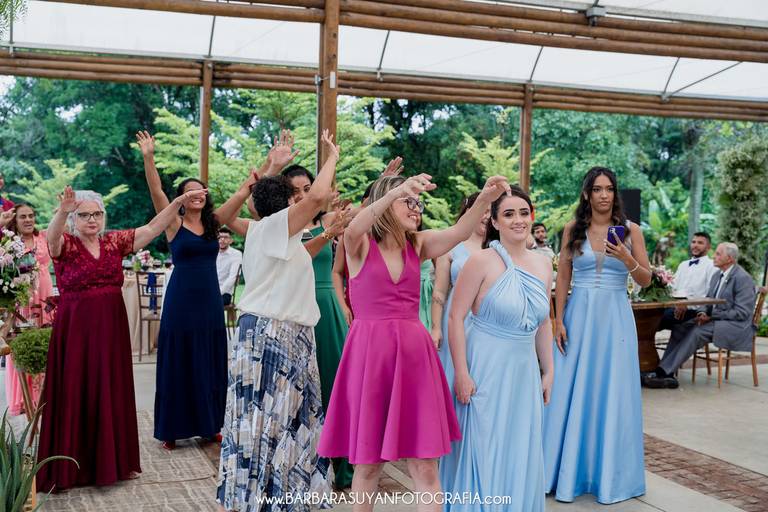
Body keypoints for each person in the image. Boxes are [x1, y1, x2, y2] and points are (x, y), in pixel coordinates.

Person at [319, 173, 510, 512]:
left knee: (425, 465)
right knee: (368, 465)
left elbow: (459, 232)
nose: (416, 208)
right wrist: (392, 191)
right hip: (370, 357)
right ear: (385, 203)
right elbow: (353, 227)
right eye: (407, 201)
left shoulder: (418, 245)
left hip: (414, 358)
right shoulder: (359, 245)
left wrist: (484, 197)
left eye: (417, 202)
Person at [37, 186, 206, 492]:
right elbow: (51, 238)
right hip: (76, 331)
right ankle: (72, 468)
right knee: (76, 387)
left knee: (109, 387)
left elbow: (153, 227)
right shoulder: (67, 244)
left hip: (111, 329)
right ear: (74, 219)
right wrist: (62, 211)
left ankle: (111, 463)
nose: (92, 219)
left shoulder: (114, 242)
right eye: (84, 215)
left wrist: (178, 202)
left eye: (97, 214)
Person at [136, 130, 293, 450]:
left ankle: (209, 425)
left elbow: (245, 189)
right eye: (189, 192)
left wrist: (271, 164)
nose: (197, 194)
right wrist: (149, 158)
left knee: (208, 358)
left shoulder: (215, 221)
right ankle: (172, 428)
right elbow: (156, 191)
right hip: (180, 300)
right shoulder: (173, 223)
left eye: (201, 190)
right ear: (181, 199)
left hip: (209, 300)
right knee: (179, 358)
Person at [214, 130, 339, 511]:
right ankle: (271, 497)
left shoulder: (267, 233)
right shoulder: (273, 225)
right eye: (293, 196)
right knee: (274, 418)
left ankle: (273, 495)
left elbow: (300, 254)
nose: (301, 201)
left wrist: (329, 232)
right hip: (274, 334)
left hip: (282, 332)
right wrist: (332, 157)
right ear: (285, 203)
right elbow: (317, 197)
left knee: (278, 418)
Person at [440, 187, 553, 511]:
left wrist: (548, 371)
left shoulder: (544, 263)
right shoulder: (481, 261)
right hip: (486, 368)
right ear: (494, 221)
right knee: (484, 444)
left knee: (520, 446)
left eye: (523, 213)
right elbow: (455, 318)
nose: (518, 220)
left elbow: (543, 321)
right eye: (509, 214)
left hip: (523, 372)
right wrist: (462, 373)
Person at [543, 167, 652, 505]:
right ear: (587, 194)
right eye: (597, 189)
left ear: (615, 193)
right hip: (579, 315)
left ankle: (609, 476)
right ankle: (561, 472)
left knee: (612, 391)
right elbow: (563, 276)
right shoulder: (572, 229)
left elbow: (646, 279)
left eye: (609, 189)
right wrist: (558, 320)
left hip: (616, 319)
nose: (604, 195)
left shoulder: (632, 231)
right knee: (570, 389)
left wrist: (627, 258)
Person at [280, 163, 354, 489]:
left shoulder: (329, 220)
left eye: (307, 188)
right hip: (295, 309)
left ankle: (345, 466)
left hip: (327, 308)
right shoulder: (281, 225)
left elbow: (364, 214)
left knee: (336, 384)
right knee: (301, 391)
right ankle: (305, 468)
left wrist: (386, 186)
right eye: (294, 190)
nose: (301, 195)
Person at [643, 242, 756, 389]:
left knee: (697, 331)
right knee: (680, 328)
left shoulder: (743, 278)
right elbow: (707, 300)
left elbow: (742, 313)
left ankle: (663, 372)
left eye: (718, 254)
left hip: (735, 325)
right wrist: (702, 313)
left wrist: (712, 316)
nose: (714, 256)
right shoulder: (717, 275)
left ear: (729, 259)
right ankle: (663, 369)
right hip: (716, 320)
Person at [430, 192, 489, 387]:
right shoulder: (451, 246)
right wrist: (436, 328)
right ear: (469, 211)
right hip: (457, 317)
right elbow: (439, 292)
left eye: (492, 211)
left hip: (488, 316)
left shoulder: (497, 247)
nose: (487, 216)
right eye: (483, 210)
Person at [3, 204, 54, 416]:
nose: (28, 220)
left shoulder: (43, 237)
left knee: (46, 341)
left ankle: (44, 395)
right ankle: (24, 398)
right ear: (15, 220)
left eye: (31, 216)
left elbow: (62, 229)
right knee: (22, 342)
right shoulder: (8, 242)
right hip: (22, 299)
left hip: (45, 297)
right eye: (23, 216)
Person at [658, 231, 718, 331]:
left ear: (708, 247)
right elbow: (673, 288)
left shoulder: (711, 266)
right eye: (693, 242)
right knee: (649, 314)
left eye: (700, 243)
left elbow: (710, 295)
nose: (695, 245)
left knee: (656, 320)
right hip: (675, 307)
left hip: (694, 311)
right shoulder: (683, 265)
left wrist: (687, 304)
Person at [216, 228, 242, 306]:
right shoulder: (211, 252)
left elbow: (232, 277)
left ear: (231, 240)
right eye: (220, 237)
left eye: (226, 237)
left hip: (225, 292)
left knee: (208, 302)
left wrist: (218, 292)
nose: (222, 240)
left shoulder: (236, 254)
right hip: (209, 289)